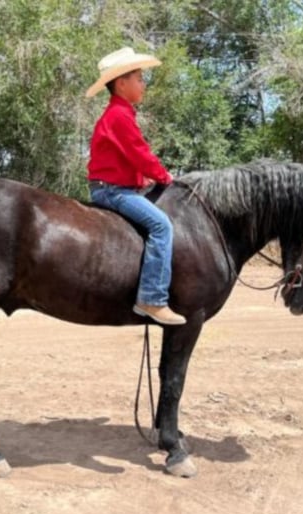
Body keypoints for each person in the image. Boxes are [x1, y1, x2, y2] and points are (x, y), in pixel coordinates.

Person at [85, 47, 186, 326]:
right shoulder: (119, 116)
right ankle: (152, 299)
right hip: (113, 191)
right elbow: (139, 153)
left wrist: (144, 180)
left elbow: (125, 160)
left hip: (115, 186)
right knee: (161, 226)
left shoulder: (120, 114)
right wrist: (165, 177)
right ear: (121, 83)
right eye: (139, 78)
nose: (144, 84)